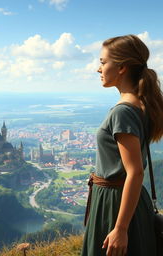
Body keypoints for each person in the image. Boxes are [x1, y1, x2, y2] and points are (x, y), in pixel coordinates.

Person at [81, 34, 163, 256]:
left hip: (114, 204)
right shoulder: (141, 104)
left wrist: (120, 228)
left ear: (122, 67)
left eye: (103, 62)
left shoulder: (123, 112)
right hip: (127, 202)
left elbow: (135, 172)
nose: (99, 69)